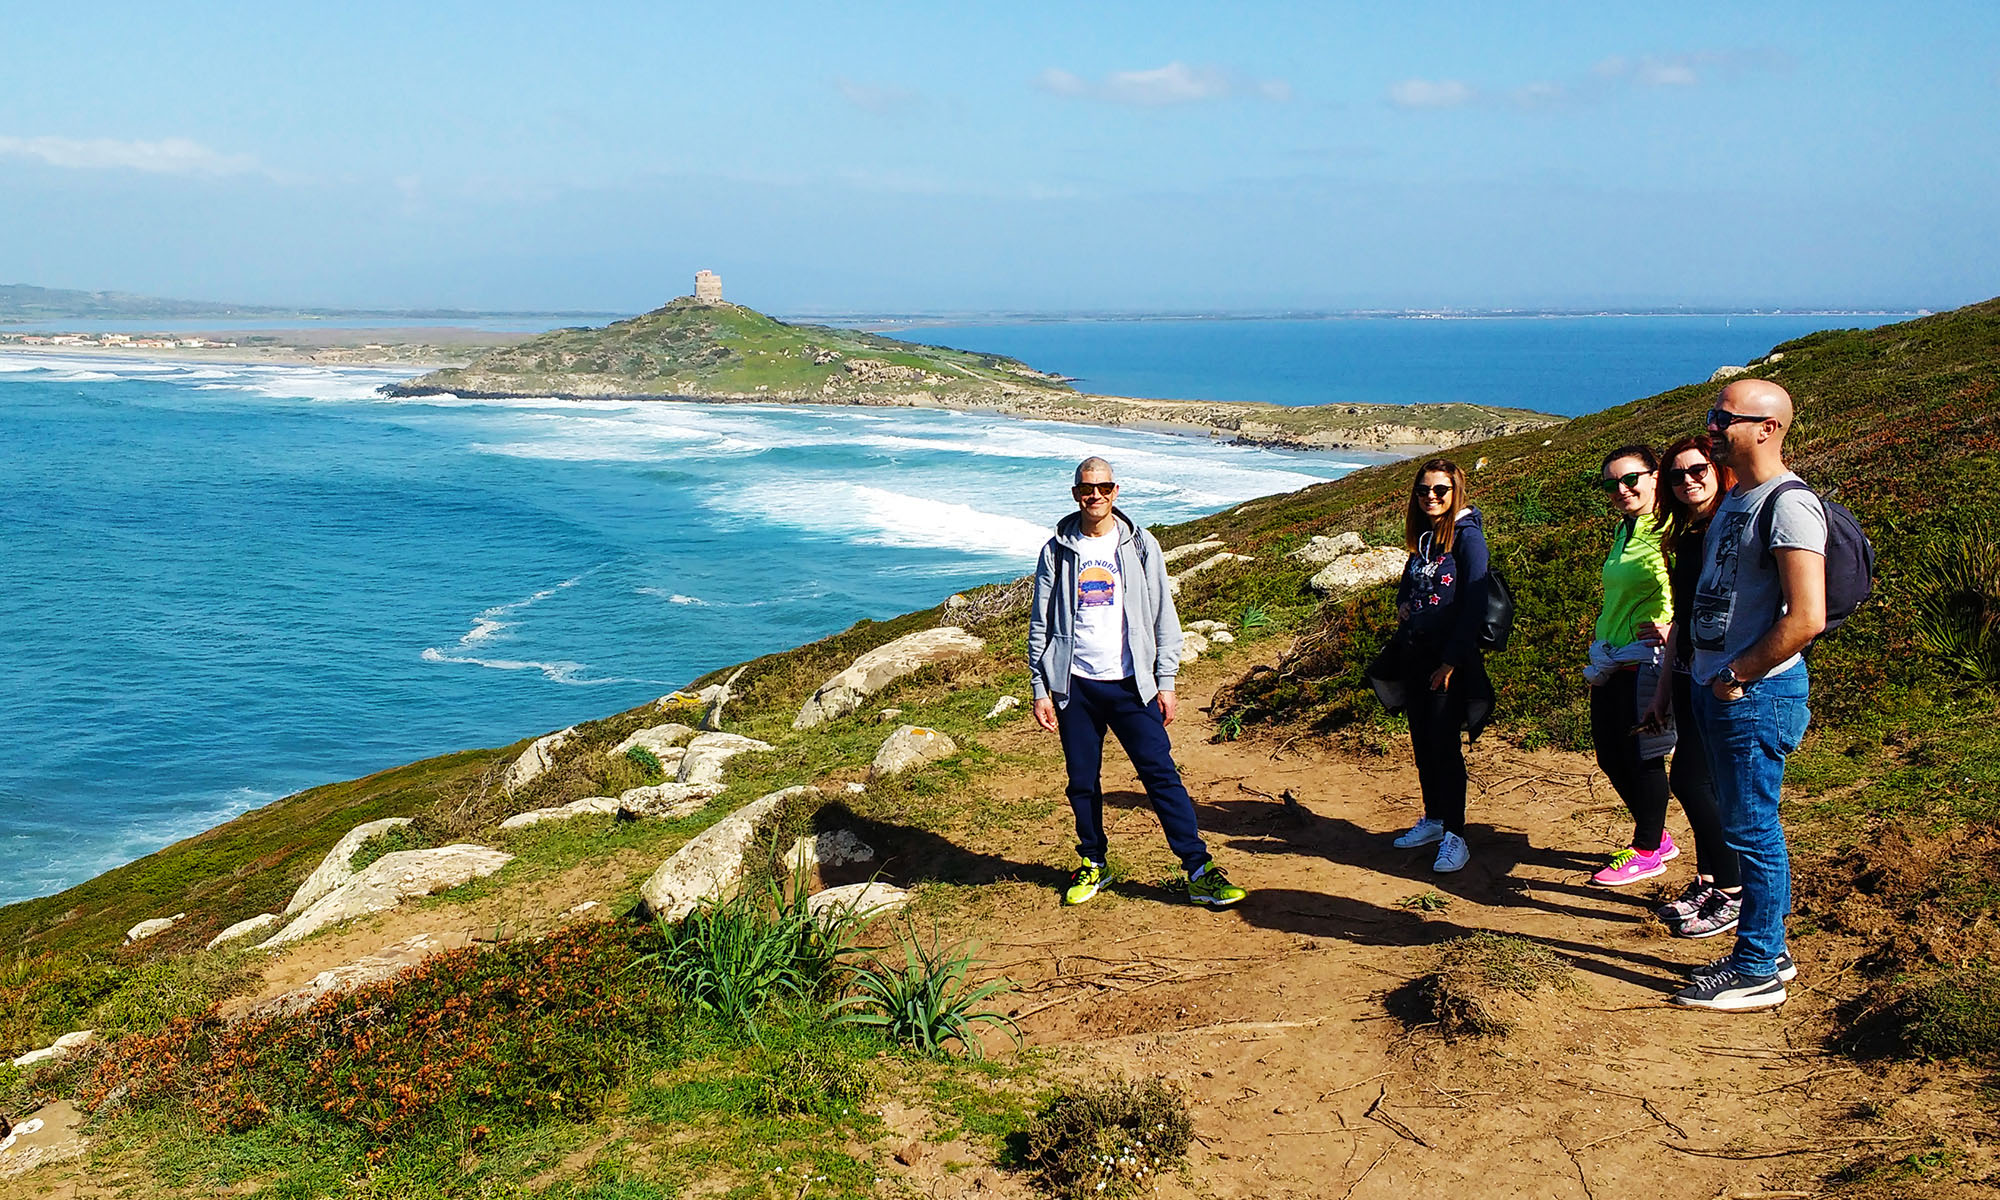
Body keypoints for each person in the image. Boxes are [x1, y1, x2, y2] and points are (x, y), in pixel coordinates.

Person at [1028, 457, 1246, 909]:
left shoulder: (1141, 545)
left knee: (1162, 777)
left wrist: (1165, 680)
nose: (1096, 496)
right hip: (1076, 687)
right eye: (1087, 488)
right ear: (1075, 494)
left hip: (1133, 686)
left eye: (1104, 488)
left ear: (1116, 491)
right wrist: (1039, 687)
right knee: (1082, 782)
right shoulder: (1056, 550)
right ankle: (1093, 863)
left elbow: (1165, 615)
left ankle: (1199, 871)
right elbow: (1040, 623)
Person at [1671, 379, 1826, 1012]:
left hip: (1754, 693)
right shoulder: (1739, 500)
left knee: (1753, 828)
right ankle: (1767, 948)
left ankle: (1758, 966)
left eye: (1723, 417)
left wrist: (1736, 675)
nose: (1711, 426)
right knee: (1743, 823)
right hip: (1722, 688)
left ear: (1767, 428)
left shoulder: (1789, 505)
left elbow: (1806, 616)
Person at [1640, 435, 1745, 937]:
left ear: (1719, 469)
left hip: (1719, 674)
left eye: (1698, 469)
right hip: (1686, 671)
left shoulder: (1726, 531)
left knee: (1695, 780)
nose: (1687, 481)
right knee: (1698, 778)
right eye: (1676, 475)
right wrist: (1663, 690)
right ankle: (1709, 879)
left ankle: (1733, 890)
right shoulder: (1688, 533)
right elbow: (1682, 616)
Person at [1373, 458, 1494, 874]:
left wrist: (1451, 661)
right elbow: (1412, 583)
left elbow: (1474, 604)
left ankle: (1456, 835)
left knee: (1445, 747)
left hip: (1449, 660)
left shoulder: (1468, 538)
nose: (1430, 497)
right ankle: (1435, 819)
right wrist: (1404, 605)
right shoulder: (1425, 536)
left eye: (1440, 490)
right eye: (1423, 490)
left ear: (1456, 491)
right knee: (1423, 742)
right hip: (1415, 654)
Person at [1583, 446, 1678, 887]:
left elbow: (1695, 582)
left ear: (1656, 476)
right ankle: (1657, 835)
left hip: (1645, 662)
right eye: (1612, 484)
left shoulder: (1670, 527)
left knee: (1642, 756)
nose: (1622, 490)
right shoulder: (1626, 529)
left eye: (1631, 479)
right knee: (1609, 754)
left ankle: (1646, 848)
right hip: (1612, 657)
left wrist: (1675, 626)